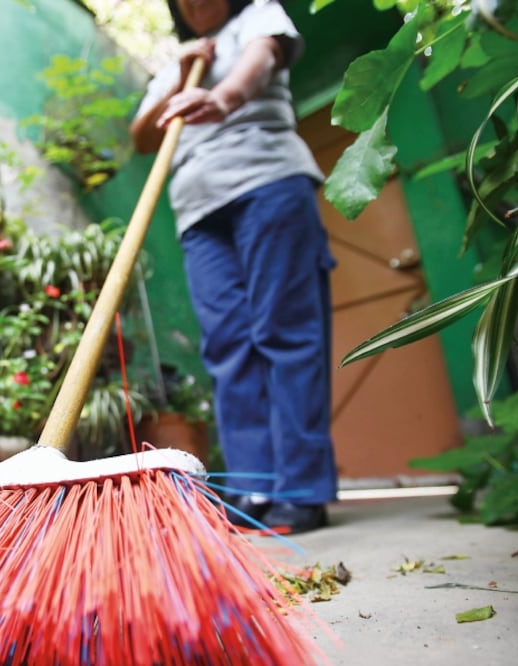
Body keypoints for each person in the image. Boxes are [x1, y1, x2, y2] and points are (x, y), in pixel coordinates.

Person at [130, 0, 337, 533]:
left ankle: (299, 490)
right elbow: (141, 137)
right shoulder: (177, 65)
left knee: (285, 333)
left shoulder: (257, 18)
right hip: (198, 215)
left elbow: (263, 59)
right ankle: (250, 489)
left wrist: (221, 97)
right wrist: (179, 78)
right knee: (228, 348)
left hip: (267, 184)